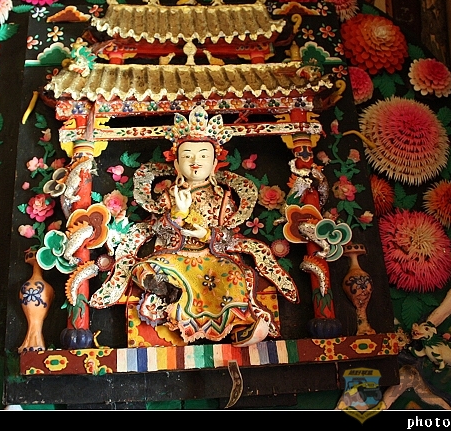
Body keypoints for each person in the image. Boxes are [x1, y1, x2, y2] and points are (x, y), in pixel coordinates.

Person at [90, 106, 298, 347]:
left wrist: (207, 234)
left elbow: (228, 236)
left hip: (211, 260)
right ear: (177, 166)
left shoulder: (222, 198)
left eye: (203, 156)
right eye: (187, 156)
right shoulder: (170, 195)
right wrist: (177, 213)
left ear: (214, 163)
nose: (195, 162)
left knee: (235, 276)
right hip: (175, 259)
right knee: (143, 269)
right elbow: (158, 230)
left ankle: (239, 326)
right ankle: (166, 293)